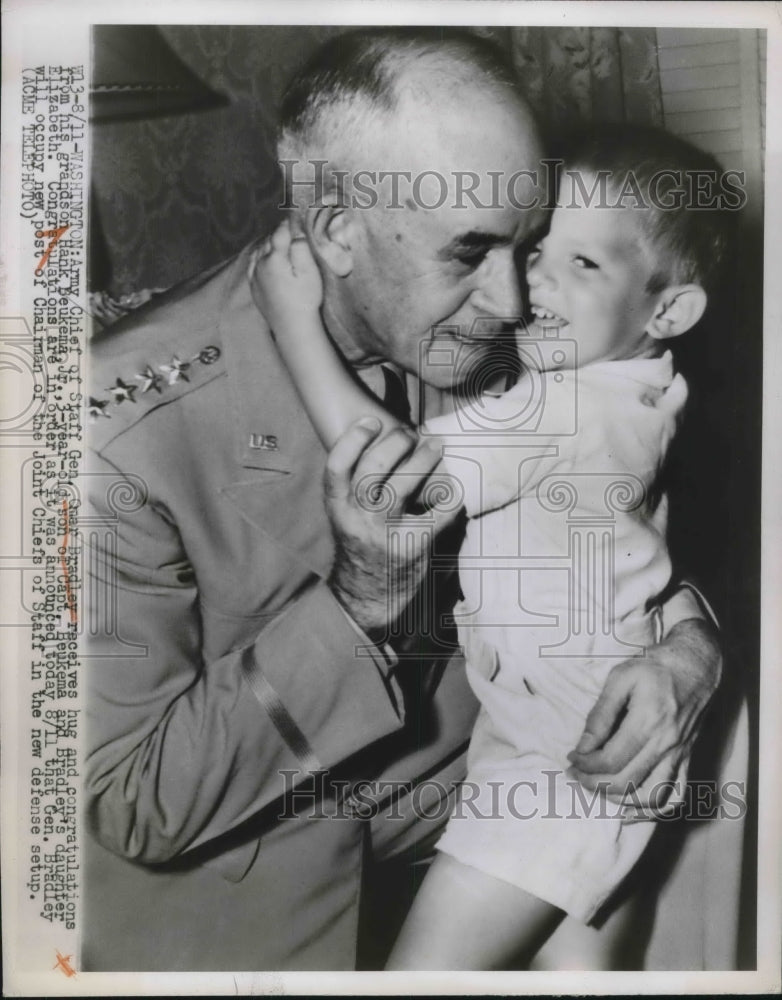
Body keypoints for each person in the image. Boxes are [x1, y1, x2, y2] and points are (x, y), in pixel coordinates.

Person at [83, 28, 721, 972]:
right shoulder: (102, 435)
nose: (512, 301)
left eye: (531, 241)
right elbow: (133, 802)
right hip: (261, 868)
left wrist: (689, 648)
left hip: (485, 786)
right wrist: (359, 607)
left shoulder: (520, 326)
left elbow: (623, 529)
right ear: (337, 231)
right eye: (469, 252)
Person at [250, 123, 730, 970]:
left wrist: (294, 323)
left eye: (584, 265)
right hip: (594, 755)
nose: (533, 280)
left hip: (552, 768)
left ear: (670, 310)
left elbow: (393, 477)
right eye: (541, 245)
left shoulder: (561, 409)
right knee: (578, 976)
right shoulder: (645, 387)